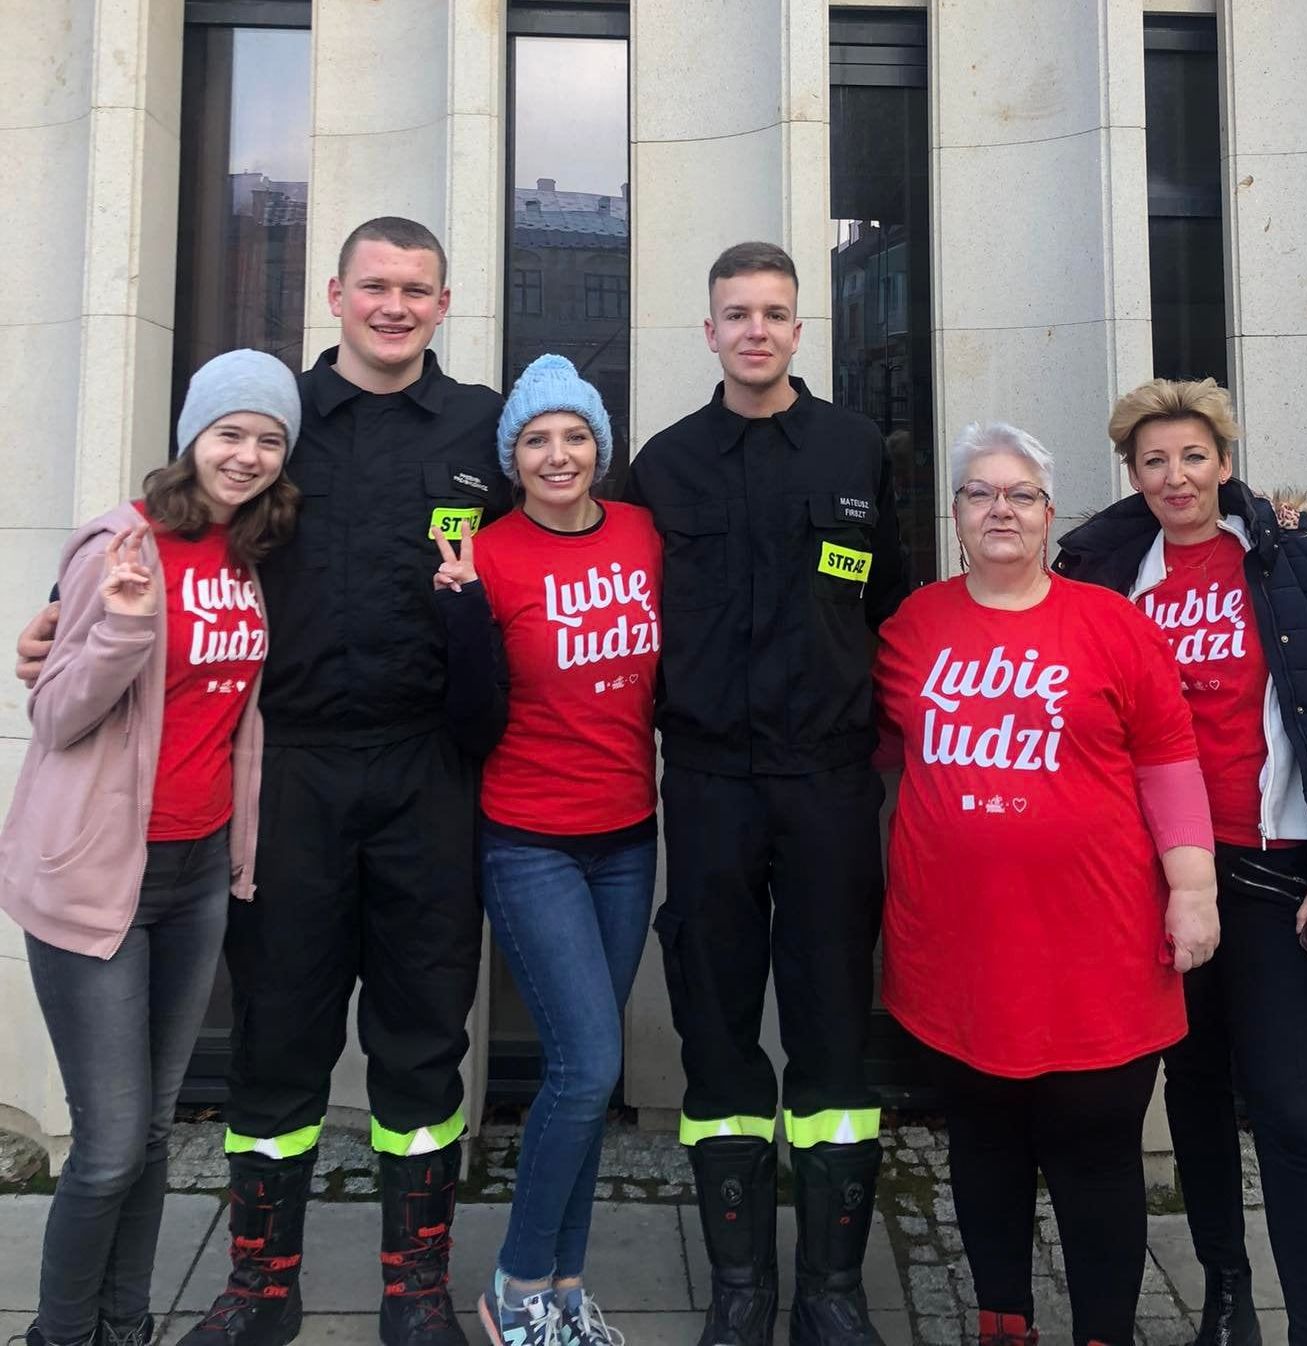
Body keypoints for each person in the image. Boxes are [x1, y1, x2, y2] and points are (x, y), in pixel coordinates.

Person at [16, 218, 511, 1346]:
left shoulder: (481, 423)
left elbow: (552, 549)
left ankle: (416, 1287)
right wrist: (59, 612)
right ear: (334, 293)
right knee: (279, 1034)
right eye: (374, 285)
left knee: (425, 1034)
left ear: (445, 302)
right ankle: (259, 1285)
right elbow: (166, 524)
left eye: (417, 289)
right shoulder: (273, 419)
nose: (394, 305)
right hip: (282, 773)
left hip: (429, 772)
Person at [1053, 379, 1307, 1346]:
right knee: (1192, 1096)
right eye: (1154, 460)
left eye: (1193, 456)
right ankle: (1226, 1294)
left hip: (1275, 874)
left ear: (1225, 463)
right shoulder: (1114, 575)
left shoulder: (1292, 564)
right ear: (1134, 475)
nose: (1175, 476)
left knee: (1287, 1111)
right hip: (1157, 880)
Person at [872, 421, 1220, 1346]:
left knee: (1097, 1150)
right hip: (958, 947)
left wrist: (1194, 888)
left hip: (1098, 949)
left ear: (1047, 514)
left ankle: (1104, 1329)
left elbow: (1170, 761)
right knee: (984, 1144)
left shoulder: (1112, 625)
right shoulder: (912, 628)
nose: (1000, 510)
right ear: (954, 516)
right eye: (980, 493)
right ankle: (1003, 1322)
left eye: (1019, 494)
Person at [622, 241, 907, 1346]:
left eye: (774, 312)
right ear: (709, 331)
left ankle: (831, 1291)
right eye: (735, 312)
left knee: (836, 1030)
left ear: (799, 330)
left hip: (830, 781)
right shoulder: (664, 463)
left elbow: (883, 595)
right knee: (718, 1029)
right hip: (705, 785)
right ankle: (742, 1285)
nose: (755, 329)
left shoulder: (852, 449)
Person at [0, 350, 300, 1346]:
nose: (248, 454)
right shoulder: (118, 544)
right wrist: (123, 631)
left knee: (158, 1130)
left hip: (196, 868)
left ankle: (124, 1323)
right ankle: (61, 1332)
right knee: (108, 1144)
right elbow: (55, 712)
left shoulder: (249, 553)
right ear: (191, 438)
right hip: (99, 874)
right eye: (231, 433)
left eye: (268, 439)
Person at [429, 354, 660, 1346]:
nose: (558, 454)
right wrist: (458, 609)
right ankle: (516, 1284)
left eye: (574, 436)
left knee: (591, 1070)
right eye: (536, 439)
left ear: (599, 449)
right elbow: (467, 706)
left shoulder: (645, 533)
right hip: (529, 837)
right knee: (583, 1062)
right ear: (512, 458)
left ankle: (562, 1286)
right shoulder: (489, 552)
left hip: (627, 836)